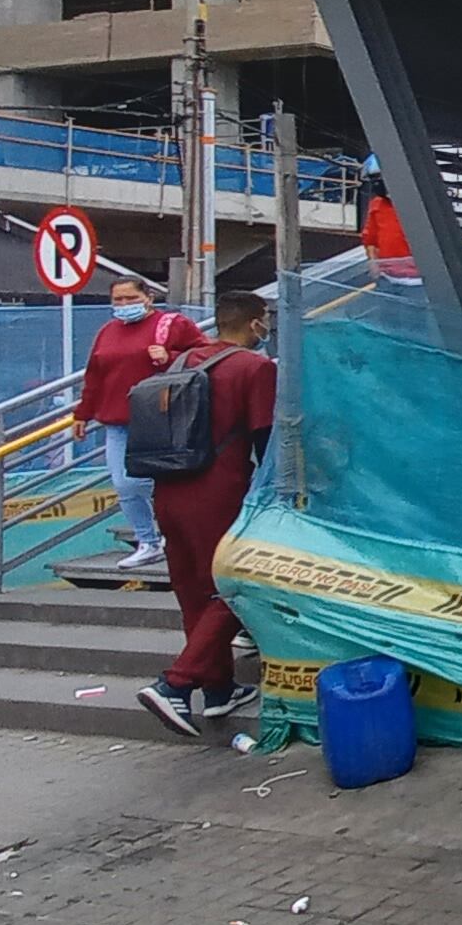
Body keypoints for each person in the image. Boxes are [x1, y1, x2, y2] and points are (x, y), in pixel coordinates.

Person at [135, 290, 276, 737]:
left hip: (167, 489)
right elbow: (265, 440)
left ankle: (219, 688)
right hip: (219, 491)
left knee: (194, 592)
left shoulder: (182, 362)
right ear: (254, 322)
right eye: (267, 318)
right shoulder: (255, 368)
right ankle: (175, 684)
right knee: (236, 584)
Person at [73, 273, 202, 570]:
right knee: (125, 483)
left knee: (163, 482)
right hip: (117, 420)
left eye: (131, 298)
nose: (124, 304)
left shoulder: (173, 324)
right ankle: (148, 541)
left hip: (162, 418)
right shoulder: (107, 331)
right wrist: (82, 413)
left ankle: (175, 535)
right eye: (117, 300)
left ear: (148, 298)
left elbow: (203, 355)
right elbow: (95, 375)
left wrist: (169, 356)